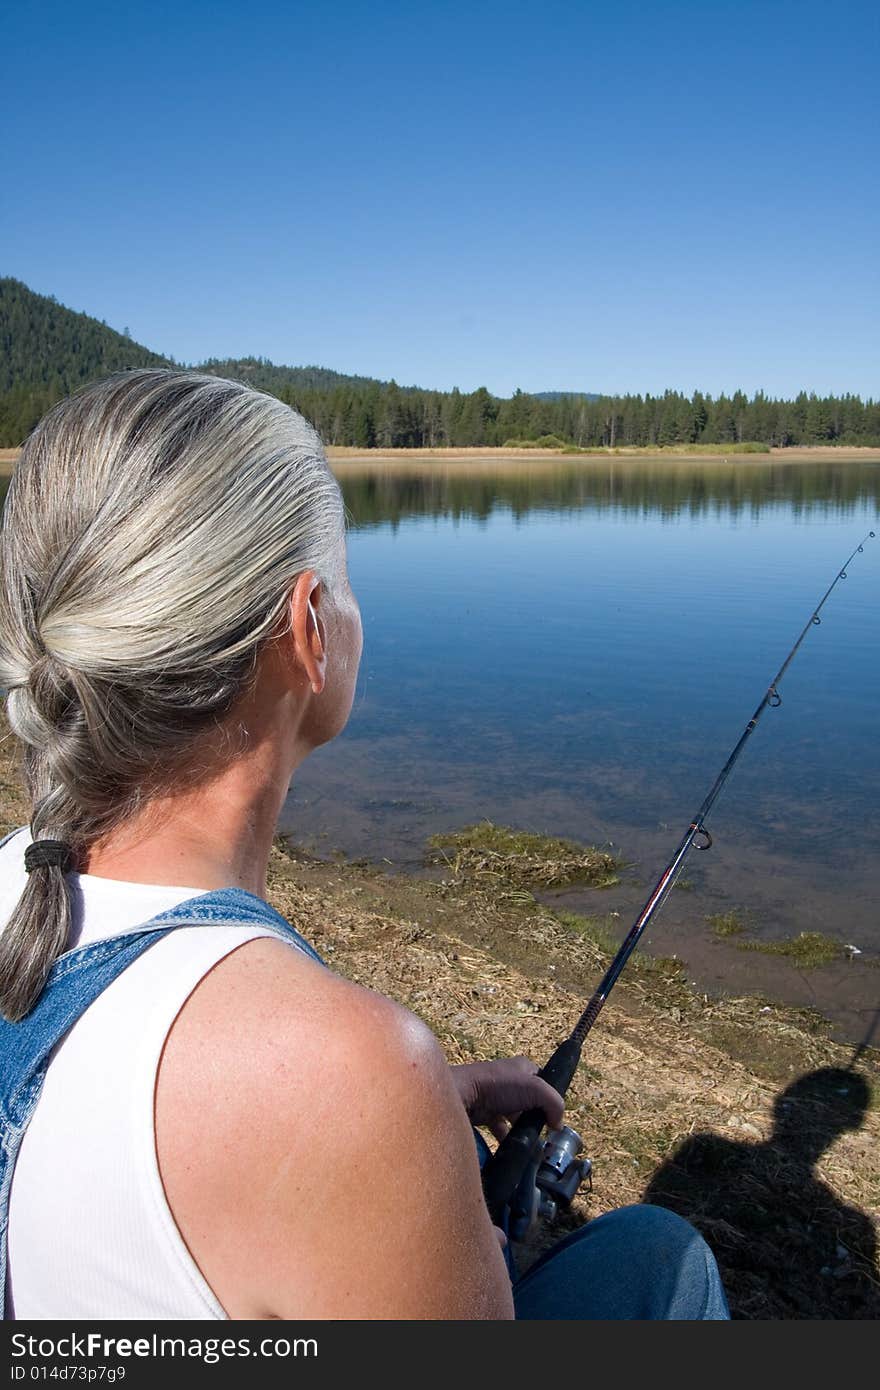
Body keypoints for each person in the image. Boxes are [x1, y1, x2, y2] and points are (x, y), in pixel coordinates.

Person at [0, 369, 729, 1320]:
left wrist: (427, 1115)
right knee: (661, 1254)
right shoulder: (340, 1069)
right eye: (347, 581)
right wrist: (391, 1130)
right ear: (309, 628)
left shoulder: (26, 877)